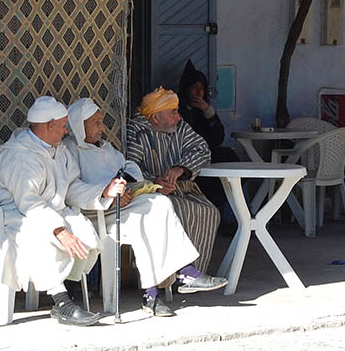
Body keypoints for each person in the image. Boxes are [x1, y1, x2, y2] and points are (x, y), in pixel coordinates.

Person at [63, 98, 228, 316]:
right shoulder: (69, 151)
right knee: (146, 222)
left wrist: (129, 181)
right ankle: (155, 293)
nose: (102, 128)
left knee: (160, 204)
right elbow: (70, 190)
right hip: (96, 213)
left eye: (101, 122)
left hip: (123, 205)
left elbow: (127, 165)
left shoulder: (105, 147)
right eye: (96, 123)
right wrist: (105, 192)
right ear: (78, 126)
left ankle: (178, 276)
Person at [0, 96, 101, 326]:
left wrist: (103, 192)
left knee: (85, 233)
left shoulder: (59, 150)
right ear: (49, 125)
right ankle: (62, 302)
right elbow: (29, 203)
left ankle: (67, 296)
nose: (66, 131)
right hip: (10, 213)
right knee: (38, 236)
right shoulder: (19, 155)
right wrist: (58, 230)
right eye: (63, 126)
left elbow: (71, 186)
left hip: (47, 210)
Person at [126, 87, 220, 273]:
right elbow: (130, 169)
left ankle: (193, 274)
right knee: (180, 210)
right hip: (153, 192)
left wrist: (181, 169)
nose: (178, 117)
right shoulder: (137, 131)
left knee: (210, 211)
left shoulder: (181, 128)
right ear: (155, 118)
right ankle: (172, 276)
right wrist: (156, 182)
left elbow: (202, 149)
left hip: (183, 187)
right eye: (173, 112)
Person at [178, 59, 241, 232]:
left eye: (201, 88)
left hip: (207, 155)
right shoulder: (177, 112)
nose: (198, 92)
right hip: (187, 160)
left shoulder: (203, 111)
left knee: (232, 163)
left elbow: (217, 137)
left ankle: (241, 218)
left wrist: (208, 112)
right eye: (194, 88)